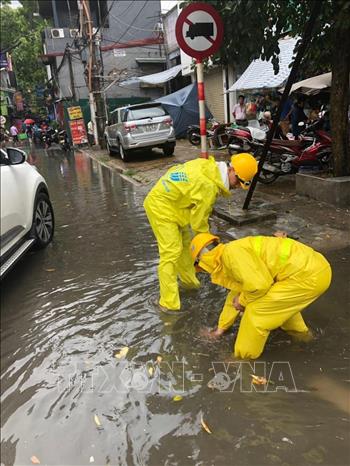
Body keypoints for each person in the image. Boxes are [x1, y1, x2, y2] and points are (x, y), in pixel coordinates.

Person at [144, 153, 258, 313]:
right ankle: (168, 303)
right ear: (231, 169)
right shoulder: (208, 185)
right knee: (170, 253)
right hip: (161, 206)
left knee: (185, 246)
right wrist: (209, 250)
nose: (238, 186)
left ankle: (189, 283)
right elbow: (199, 224)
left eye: (242, 184)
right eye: (238, 181)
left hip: (176, 205)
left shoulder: (209, 168)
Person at [190, 232, 332, 359]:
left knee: (256, 312)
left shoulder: (231, 256)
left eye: (201, 268)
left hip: (307, 276)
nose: (203, 271)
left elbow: (259, 286)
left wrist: (243, 302)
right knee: (275, 305)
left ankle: (242, 359)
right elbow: (236, 294)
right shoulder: (231, 253)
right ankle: (303, 337)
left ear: (202, 261)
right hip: (315, 269)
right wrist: (220, 330)